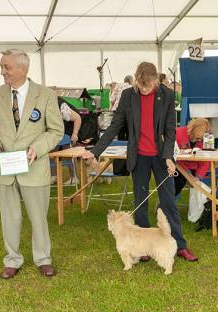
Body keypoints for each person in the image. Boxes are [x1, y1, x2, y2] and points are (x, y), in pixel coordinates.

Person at [83, 61, 199, 263]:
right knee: (141, 202)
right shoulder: (128, 96)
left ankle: (180, 245)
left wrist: (169, 157)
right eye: (142, 85)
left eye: (149, 85)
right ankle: (144, 247)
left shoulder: (168, 96)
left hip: (161, 156)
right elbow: (115, 125)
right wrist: (95, 150)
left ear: (156, 80)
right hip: (139, 157)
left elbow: (170, 130)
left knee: (169, 202)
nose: (145, 90)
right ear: (136, 80)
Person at [0, 49, 63, 279]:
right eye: (2, 66)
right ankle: (13, 259)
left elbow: (56, 130)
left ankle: (43, 258)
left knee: (38, 217)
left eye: (7, 67)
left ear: (23, 69)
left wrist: (38, 148)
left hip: (34, 167)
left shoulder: (45, 95)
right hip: (5, 168)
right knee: (10, 217)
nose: (2, 71)